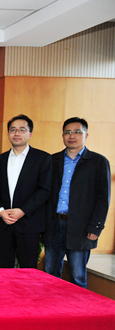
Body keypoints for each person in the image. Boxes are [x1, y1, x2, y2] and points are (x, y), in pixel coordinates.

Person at [44, 117, 110, 288]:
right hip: (53, 225)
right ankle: (52, 305)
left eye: (77, 132)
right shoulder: (52, 160)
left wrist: (96, 227)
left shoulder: (98, 162)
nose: (72, 136)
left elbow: (103, 199)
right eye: (67, 132)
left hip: (81, 228)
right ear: (62, 136)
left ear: (86, 135)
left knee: (78, 276)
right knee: (50, 275)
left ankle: (78, 306)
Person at [0, 114, 52, 269]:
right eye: (13, 129)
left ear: (30, 133)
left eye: (22, 129)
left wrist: (23, 211)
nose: (17, 133)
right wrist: (0, 211)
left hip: (29, 224)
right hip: (3, 224)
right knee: (3, 270)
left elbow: (44, 190)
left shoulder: (43, 158)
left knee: (28, 270)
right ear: (8, 133)